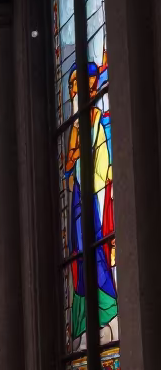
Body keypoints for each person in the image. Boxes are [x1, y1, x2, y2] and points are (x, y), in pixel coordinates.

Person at [63, 60, 117, 350]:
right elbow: (69, 164)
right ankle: (85, 324)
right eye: (72, 85)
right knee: (80, 255)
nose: (75, 89)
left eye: (78, 84)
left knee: (97, 251)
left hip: (97, 194)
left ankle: (109, 317)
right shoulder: (75, 123)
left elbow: (107, 164)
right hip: (79, 196)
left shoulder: (100, 118)